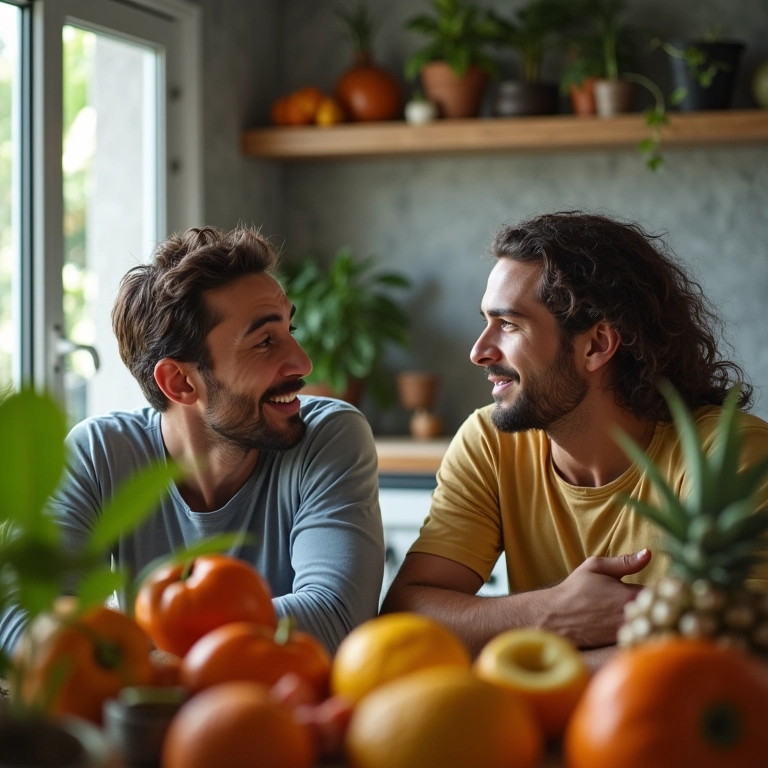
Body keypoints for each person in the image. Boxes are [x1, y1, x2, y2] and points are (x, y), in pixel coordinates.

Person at [380, 210, 768, 666]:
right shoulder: (488, 441)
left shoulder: (728, 456)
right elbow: (406, 619)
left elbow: (740, 655)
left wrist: (549, 664)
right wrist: (553, 613)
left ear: (597, 345)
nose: (479, 350)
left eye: (508, 324)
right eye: (486, 321)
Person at [0, 226, 385, 655]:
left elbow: (336, 619)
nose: (302, 361)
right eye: (264, 341)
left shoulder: (328, 436)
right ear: (181, 382)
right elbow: (25, 627)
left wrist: (120, 645)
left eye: (289, 330)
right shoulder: (99, 455)